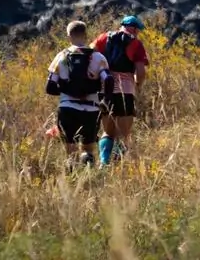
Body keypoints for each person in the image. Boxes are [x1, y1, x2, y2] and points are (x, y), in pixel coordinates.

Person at [46, 20, 112, 169]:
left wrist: (68, 91)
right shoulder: (98, 57)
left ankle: (73, 175)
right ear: (85, 35)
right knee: (88, 149)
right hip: (91, 109)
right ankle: (89, 174)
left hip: (67, 108)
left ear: (69, 36)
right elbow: (108, 79)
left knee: (71, 151)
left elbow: (50, 87)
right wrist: (105, 101)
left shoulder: (61, 56)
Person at [92, 14, 149, 165]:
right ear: (134, 29)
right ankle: (117, 166)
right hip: (125, 91)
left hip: (104, 90)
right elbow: (141, 72)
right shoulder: (136, 44)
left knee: (107, 132)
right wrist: (138, 84)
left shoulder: (103, 38)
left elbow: (90, 56)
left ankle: (104, 163)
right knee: (123, 135)